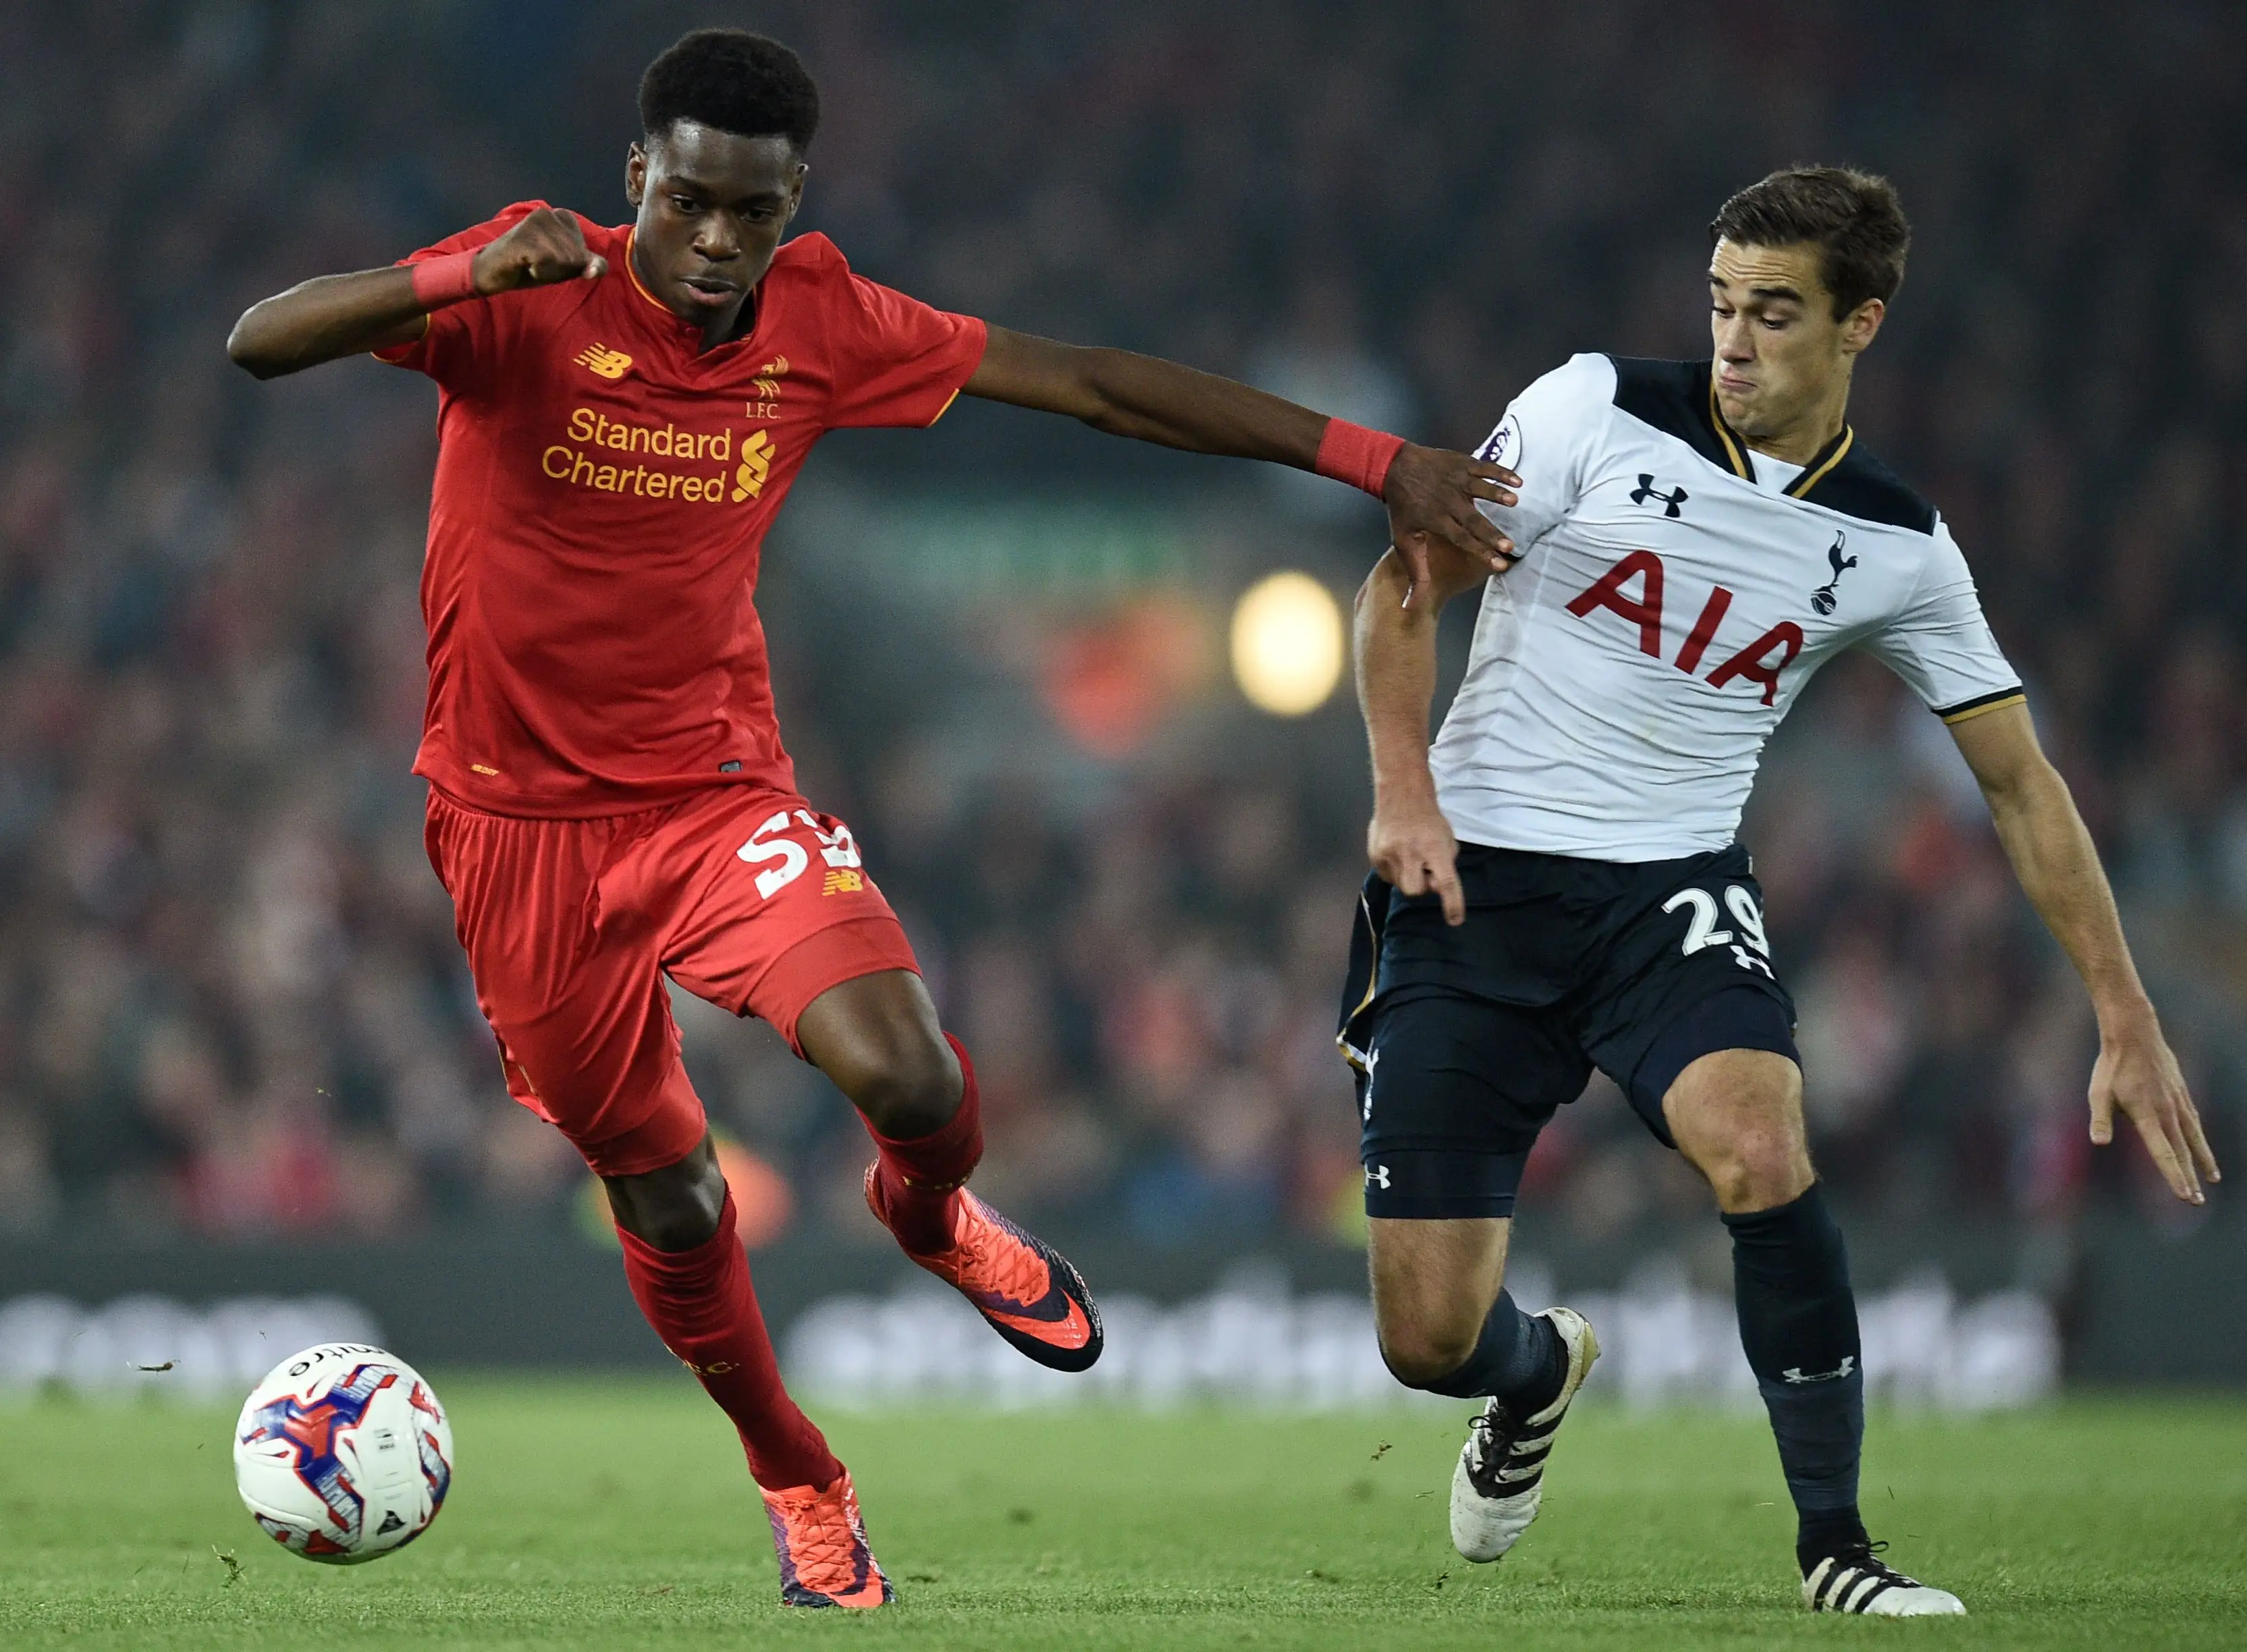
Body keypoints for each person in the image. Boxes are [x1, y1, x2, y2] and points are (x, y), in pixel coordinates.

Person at [226, 28, 1516, 1611]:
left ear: (790, 206)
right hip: (515, 838)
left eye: (747, 213)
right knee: (672, 1195)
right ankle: (797, 1473)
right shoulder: (529, 293)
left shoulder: (822, 322)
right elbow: (259, 340)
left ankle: (930, 1213)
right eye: (685, 202)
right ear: (635, 180)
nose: (712, 244)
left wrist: (1371, 461)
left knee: (907, 1069)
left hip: (712, 797)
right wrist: (463, 280)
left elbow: (1094, 387)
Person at [1342, 165, 2219, 1618]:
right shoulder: (1585, 409)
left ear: (1857, 323)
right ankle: (1535, 1370)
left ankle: (1836, 1550)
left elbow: (2019, 784)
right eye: (1717, 306)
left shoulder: (1896, 548)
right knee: (1423, 1341)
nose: (1732, 344)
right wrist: (1399, 787)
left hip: (1669, 893)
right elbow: (1400, 583)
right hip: (1471, 875)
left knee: (1757, 1143)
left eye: (1771, 315)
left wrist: (2120, 1009)